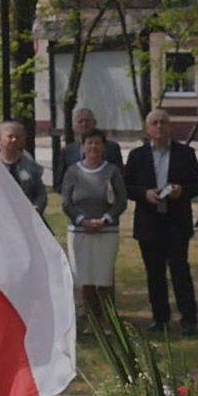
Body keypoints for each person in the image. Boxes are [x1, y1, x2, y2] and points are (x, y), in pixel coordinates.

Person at [124, 107, 198, 335]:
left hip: (176, 222)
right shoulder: (137, 156)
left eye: (163, 122)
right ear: (147, 129)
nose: (159, 127)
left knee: (180, 271)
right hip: (149, 222)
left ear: (170, 127)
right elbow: (126, 186)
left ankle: (188, 320)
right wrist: (144, 194)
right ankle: (160, 318)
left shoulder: (185, 153)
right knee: (154, 273)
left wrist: (182, 191)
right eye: (155, 123)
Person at [60, 129, 127, 318]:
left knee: (103, 278)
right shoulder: (73, 172)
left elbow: (121, 201)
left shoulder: (112, 171)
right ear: (82, 146)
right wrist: (83, 221)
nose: (93, 147)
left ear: (103, 147)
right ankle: (90, 318)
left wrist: (104, 220)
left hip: (106, 231)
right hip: (79, 232)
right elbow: (66, 202)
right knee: (84, 279)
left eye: (97, 143)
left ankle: (108, 319)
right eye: (89, 143)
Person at [0, 120, 47, 213]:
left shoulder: (31, 166)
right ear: (0, 138)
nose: (14, 140)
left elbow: (41, 194)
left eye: (17, 137)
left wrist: (36, 209)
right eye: (10, 136)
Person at [53, 107, 100, 193]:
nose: (84, 124)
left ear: (95, 123)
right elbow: (59, 184)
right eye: (80, 121)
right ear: (74, 126)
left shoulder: (111, 149)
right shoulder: (67, 152)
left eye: (87, 120)